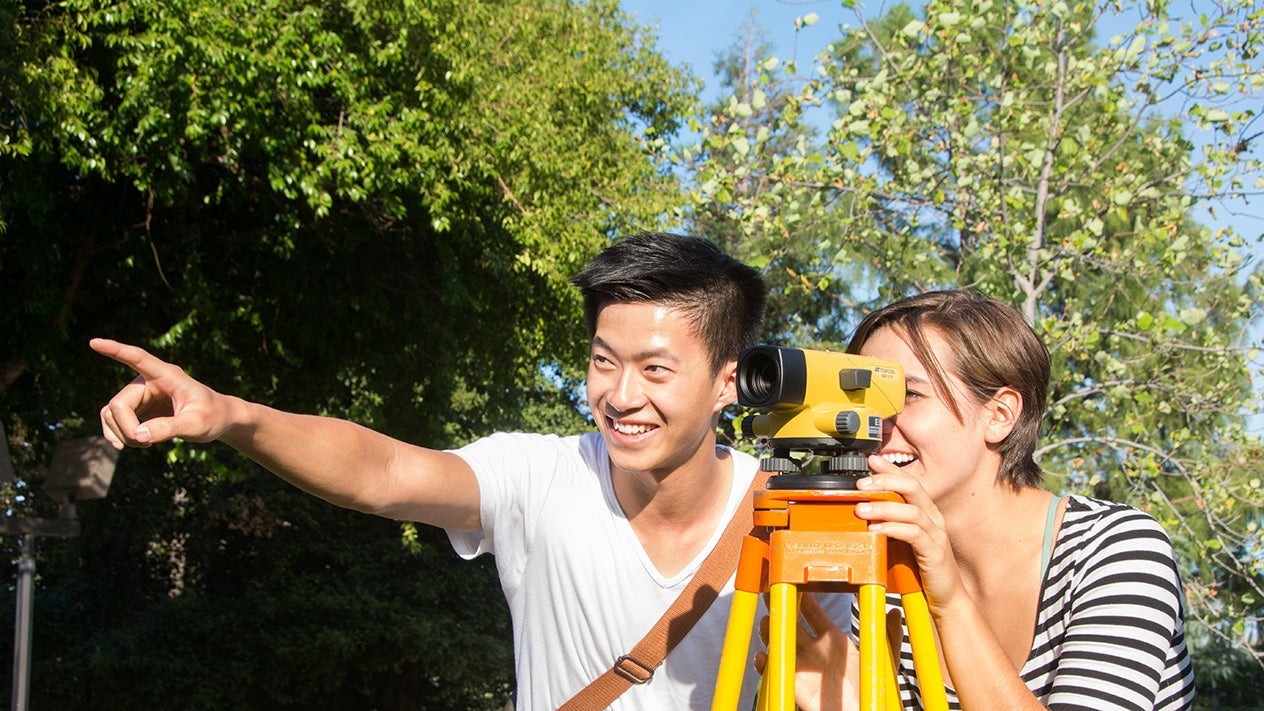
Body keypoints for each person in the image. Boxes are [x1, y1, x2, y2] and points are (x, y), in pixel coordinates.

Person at [92, 232, 850, 710]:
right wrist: (230, 414)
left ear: (728, 380)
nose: (621, 396)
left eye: (656, 369)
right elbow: (383, 471)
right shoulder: (539, 477)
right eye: (603, 361)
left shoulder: (795, 519)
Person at [778, 290, 1195, 711]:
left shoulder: (1116, 549)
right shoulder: (890, 567)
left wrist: (951, 602)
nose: (873, 424)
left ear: (999, 415)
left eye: (906, 396)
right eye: (861, 397)